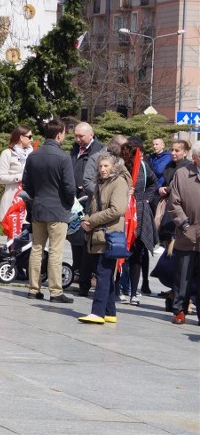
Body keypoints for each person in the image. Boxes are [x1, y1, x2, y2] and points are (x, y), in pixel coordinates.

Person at [21, 119, 75, 303]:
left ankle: (33, 288)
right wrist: (68, 204)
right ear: (59, 134)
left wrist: (37, 197)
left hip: (39, 207)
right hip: (58, 209)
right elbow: (69, 187)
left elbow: (27, 184)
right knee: (55, 251)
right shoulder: (63, 157)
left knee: (37, 248)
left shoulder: (34, 156)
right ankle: (55, 291)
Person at [77, 152, 130, 324]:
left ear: (114, 166)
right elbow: (93, 207)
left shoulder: (119, 182)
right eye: (100, 166)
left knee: (103, 273)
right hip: (99, 233)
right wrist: (86, 219)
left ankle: (97, 312)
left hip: (109, 234)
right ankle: (109, 311)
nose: (102, 169)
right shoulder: (101, 183)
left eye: (106, 166)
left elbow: (117, 209)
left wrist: (91, 221)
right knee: (105, 273)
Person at [119, 139, 157, 305]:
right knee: (120, 252)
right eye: (138, 152)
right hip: (123, 212)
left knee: (137, 254)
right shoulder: (121, 166)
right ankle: (119, 289)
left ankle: (134, 292)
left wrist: (145, 200)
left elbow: (153, 183)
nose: (140, 155)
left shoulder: (143, 166)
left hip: (139, 212)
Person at [168, 141, 200, 325]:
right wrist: (184, 223)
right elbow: (174, 203)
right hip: (187, 232)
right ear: (195, 158)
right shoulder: (182, 174)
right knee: (183, 275)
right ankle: (179, 310)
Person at [69, 122, 103, 294]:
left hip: (90, 200)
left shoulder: (99, 151)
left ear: (91, 134)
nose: (77, 139)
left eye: (80, 136)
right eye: (76, 136)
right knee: (75, 236)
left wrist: (89, 186)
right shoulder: (75, 149)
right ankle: (77, 270)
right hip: (75, 199)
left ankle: (89, 275)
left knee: (86, 239)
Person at [0, 125, 33, 222]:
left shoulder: (33, 154)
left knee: (28, 233)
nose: (32, 139)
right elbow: (1, 178)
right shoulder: (7, 153)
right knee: (13, 233)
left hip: (28, 199)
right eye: (29, 137)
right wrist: (20, 177)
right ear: (21, 137)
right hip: (13, 197)